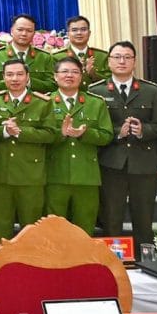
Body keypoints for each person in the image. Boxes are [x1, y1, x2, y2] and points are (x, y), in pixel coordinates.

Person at [89, 41, 157, 252]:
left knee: (144, 217)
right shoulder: (96, 91)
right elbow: (93, 127)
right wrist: (117, 133)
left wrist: (143, 130)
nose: (122, 61)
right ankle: (114, 261)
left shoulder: (151, 90)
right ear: (109, 61)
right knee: (111, 217)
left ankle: (145, 261)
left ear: (134, 62)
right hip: (111, 162)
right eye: (117, 57)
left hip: (144, 162)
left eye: (127, 57)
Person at [0, 59, 55, 240]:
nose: (14, 79)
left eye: (19, 74)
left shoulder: (42, 102)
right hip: (2, 172)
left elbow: (50, 134)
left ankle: (30, 257)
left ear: (27, 77)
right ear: (3, 77)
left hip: (31, 174)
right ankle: (1, 257)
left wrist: (20, 132)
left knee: (31, 227)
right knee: (2, 225)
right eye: (9, 75)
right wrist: (5, 131)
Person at [45, 57, 113, 235]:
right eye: (64, 71)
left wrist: (84, 134)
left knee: (85, 228)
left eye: (75, 72)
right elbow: (40, 136)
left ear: (81, 76)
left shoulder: (95, 103)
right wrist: (60, 134)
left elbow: (106, 135)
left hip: (86, 175)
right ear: (55, 76)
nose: (70, 75)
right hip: (54, 174)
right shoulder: (45, 102)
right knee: (54, 229)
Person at [0, 14, 54, 93]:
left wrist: (29, 81)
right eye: (20, 29)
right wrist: (13, 83)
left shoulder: (44, 57)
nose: (24, 34)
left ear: (34, 34)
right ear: (12, 31)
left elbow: (52, 85)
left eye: (29, 31)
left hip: (37, 100)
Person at [52, 15, 110, 90]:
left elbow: (112, 83)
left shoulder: (102, 56)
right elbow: (53, 85)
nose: (79, 33)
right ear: (68, 34)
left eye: (83, 29)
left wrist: (94, 74)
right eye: (74, 30)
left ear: (89, 33)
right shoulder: (57, 57)